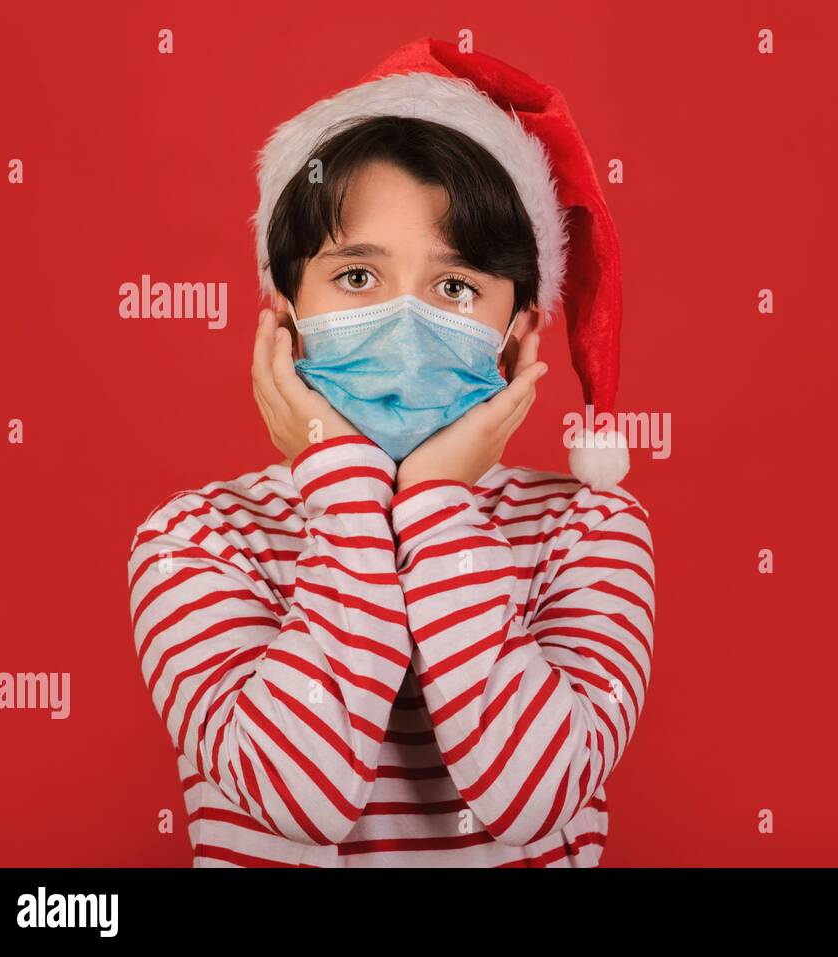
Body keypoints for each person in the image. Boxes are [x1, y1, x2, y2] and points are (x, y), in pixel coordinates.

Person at [127, 38, 654, 867]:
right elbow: (302, 796)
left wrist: (438, 499)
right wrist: (342, 487)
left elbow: (536, 795)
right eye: (358, 277)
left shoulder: (587, 529)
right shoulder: (197, 539)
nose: (403, 324)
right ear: (284, 306)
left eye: (455, 287)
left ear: (519, 333)